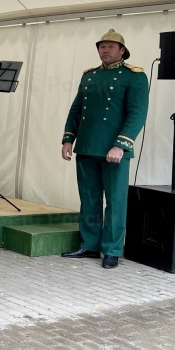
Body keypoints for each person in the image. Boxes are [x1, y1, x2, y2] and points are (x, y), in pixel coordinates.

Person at [61, 29, 149, 269]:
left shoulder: (134, 76)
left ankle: (111, 249)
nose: (105, 50)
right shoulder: (89, 76)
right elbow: (76, 109)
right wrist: (68, 138)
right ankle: (89, 245)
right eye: (102, 46)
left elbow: (137, 114)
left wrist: (121, 144)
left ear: (122, 50)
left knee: (115, 201)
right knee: (88, 199)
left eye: (111, 46)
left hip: (114, 150)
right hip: (88, 146)